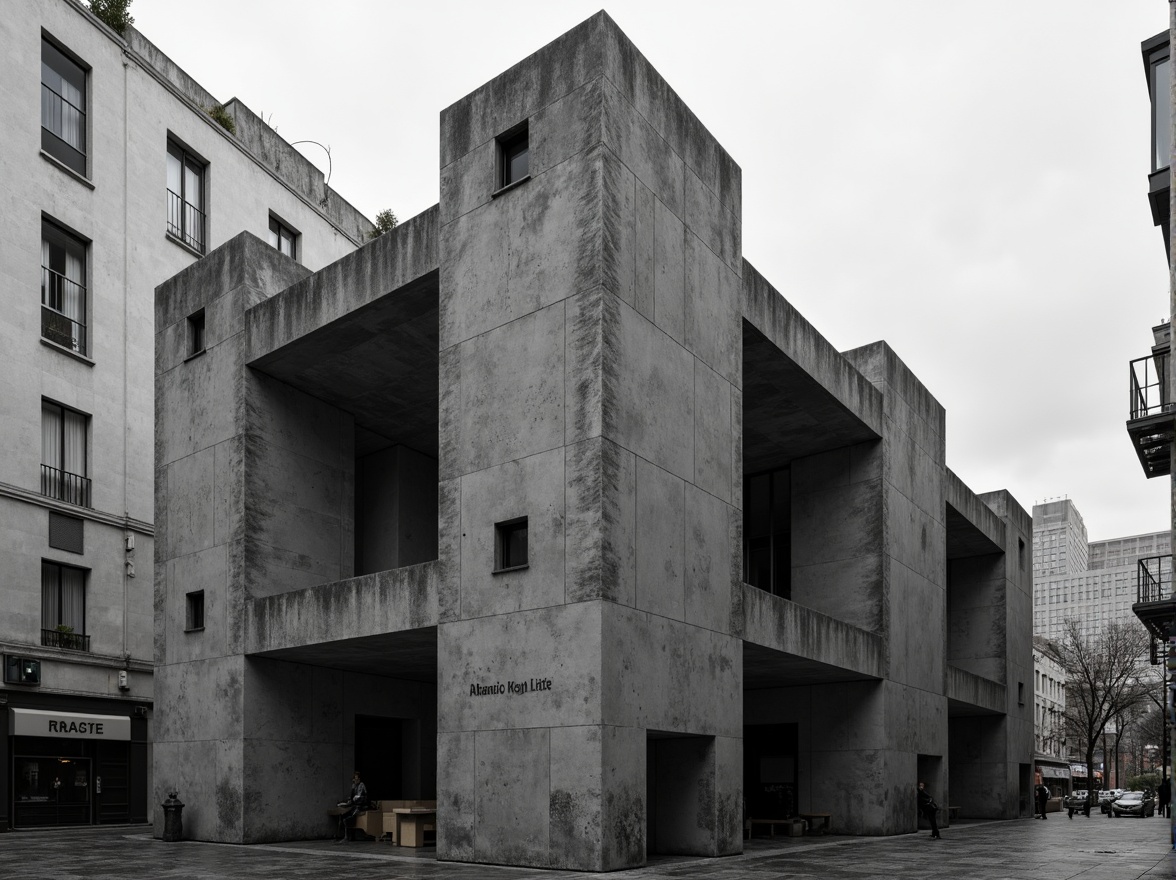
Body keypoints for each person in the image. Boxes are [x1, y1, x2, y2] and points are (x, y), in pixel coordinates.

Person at [336, 771, 369, 843]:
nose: (354, 780)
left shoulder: (361, 785)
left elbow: (359, 797)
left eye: (356, 779)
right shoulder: (355, 786)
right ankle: (344, 836)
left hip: (360, 806)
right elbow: (352, 797)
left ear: (359, 779)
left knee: (348, 817)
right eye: (354, 779)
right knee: (343, 815)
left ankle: (348, 837)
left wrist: (353, 799)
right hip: (355, 805)